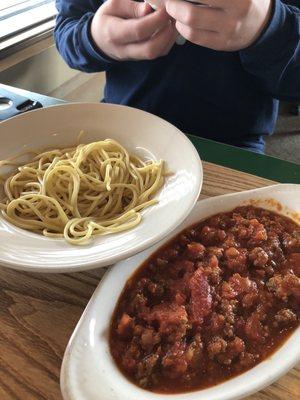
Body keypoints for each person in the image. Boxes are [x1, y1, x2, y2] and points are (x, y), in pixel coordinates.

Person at [54, 0, 300, 153]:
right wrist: (94, 38)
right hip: (122, 128)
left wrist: (268, 29)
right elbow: (67, 28)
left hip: (232, 145)